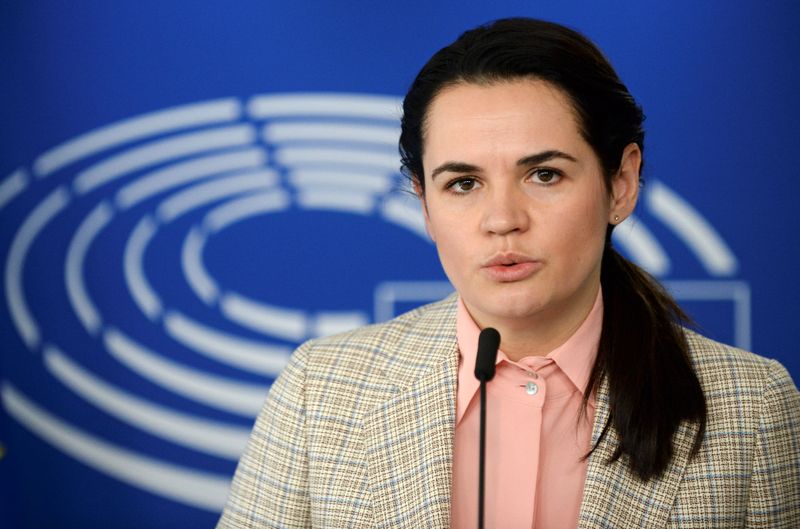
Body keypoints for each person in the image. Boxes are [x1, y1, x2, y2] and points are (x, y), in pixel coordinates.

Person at [217, 18, 799, 528]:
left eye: (544, 174)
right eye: (462, 184)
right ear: (424, 204)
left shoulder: (751, 407)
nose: (502, 221)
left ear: (620, 183)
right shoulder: (321, 390)